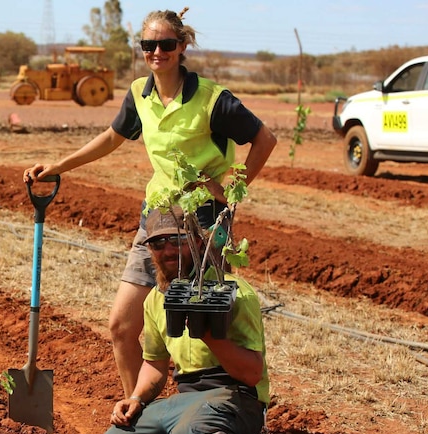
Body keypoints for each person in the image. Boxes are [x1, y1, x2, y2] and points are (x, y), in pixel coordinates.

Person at [22, 7, 277, 398]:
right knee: (122, 326)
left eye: (166, 44)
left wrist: (231, 188)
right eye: (149, 45)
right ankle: (135, 411)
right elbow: (111, 138)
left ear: (182, 46)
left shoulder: (212, 99)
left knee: (205, 329)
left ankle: (223, 413)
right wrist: (59, 166)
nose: (157, 51)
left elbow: (265, 139)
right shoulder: (140, 94)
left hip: (204, 226)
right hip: (156, 222)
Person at [85, 207, 278, 434]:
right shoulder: (154, 299)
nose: (168, 250)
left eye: (178, 240)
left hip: (234, 396)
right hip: (183, 401)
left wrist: (207, 332)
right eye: (157, 243)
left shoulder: (234, 292)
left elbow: (251, 374)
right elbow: (154, 364)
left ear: (199, 241)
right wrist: (136, 398)